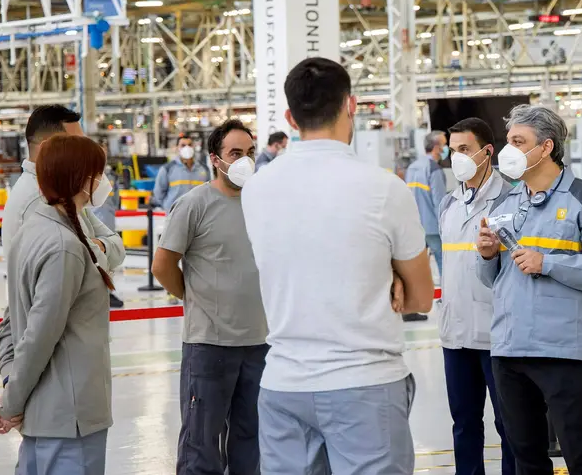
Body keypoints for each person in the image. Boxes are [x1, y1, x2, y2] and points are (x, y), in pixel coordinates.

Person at [241, 57, 435, 475]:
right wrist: (393, 277)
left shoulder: (256, 190)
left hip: (282, 385)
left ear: (291, 118)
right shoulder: (385, 189)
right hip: (364, 382)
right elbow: (420, 297)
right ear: (352, 105)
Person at [476, 104, 582, 475]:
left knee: (579, 451)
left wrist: (549, 263)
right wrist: (488, 255)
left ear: (545, 147)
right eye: (508, 140)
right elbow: (491, 279)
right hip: (509, 348)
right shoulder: (506, 201)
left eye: (518, 141)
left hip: (561, 350)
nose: (508, 149)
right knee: (525, 456)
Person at [0, 135, 116, 474]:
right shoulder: (65, 248)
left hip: (47, 416)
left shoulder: (33, 230)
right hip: (71, 419)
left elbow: (10, 326)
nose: (101, 182)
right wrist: (9, 403)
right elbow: (39, 338)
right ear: (80, 178)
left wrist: (11, 390)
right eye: (97, 174)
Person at [152, 119, 269, 475]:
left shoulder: (262, 203)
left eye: (249, 153)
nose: (244, 161)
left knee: (252, 441)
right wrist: (193, 296)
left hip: (260, 343)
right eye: (235, 153)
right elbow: (162, 265)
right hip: (210, 346)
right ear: (215, 159)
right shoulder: (194, 204)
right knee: (201, 445)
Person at [0, 104, 125, 328]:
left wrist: (101, 246)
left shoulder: (59, 192)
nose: (83, 151)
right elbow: (90, 265)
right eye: (76, 143)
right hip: (59, 335)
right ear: (49, 147)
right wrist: (103, 249)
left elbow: (115, 249)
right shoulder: (39, 200)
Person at [438, 117, 515, 475]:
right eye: (453, 151)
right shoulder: (448, 204)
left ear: (487, 152)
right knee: (464, 424)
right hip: (455, 335)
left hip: (497, 334)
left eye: (464, 150)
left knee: (510, 426)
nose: (457, 158)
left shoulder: (511, 201)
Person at [403, 130, 448, 322]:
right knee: (443, 262)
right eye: (445, 144)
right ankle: (448, 301)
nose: (447, 148)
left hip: (413, 223)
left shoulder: (413, 167)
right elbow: (440, 201)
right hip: (431, 225)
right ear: (437, 147)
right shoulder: (434, 169)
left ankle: (410, 308)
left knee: (413, 267)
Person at [153, 134, 211, 211]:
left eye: (189, 145)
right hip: (174, 215)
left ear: (193, 147)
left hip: (198, 214)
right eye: (183, 145)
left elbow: (208, 191)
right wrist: (168, 208)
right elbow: (158, 193)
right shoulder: (167, 169)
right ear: (177, 148)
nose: (187, 148)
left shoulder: (204, 169)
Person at [91, 141, 120, 233]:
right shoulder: (86, 176)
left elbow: (116, 199)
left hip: (109, 221)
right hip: (93, 221)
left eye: (105, 154)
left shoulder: (112, 176)